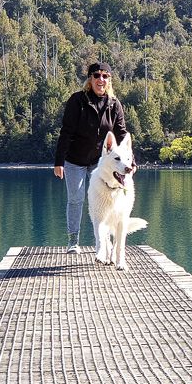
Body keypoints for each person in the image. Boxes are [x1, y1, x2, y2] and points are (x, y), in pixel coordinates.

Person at [53, 62, 127, 252]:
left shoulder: (114, 104)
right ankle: (73, 242)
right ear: (90, 79)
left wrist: (130, 162)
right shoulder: (77, 100)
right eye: (96, 76)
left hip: (99, 163)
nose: (100, 80)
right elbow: (66, 132)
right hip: (74, 160)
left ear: (109, 80)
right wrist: (59, 162)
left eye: (105, 76)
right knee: (76, 199)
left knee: (103, 200)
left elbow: (121, 134)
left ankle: (103, 242)